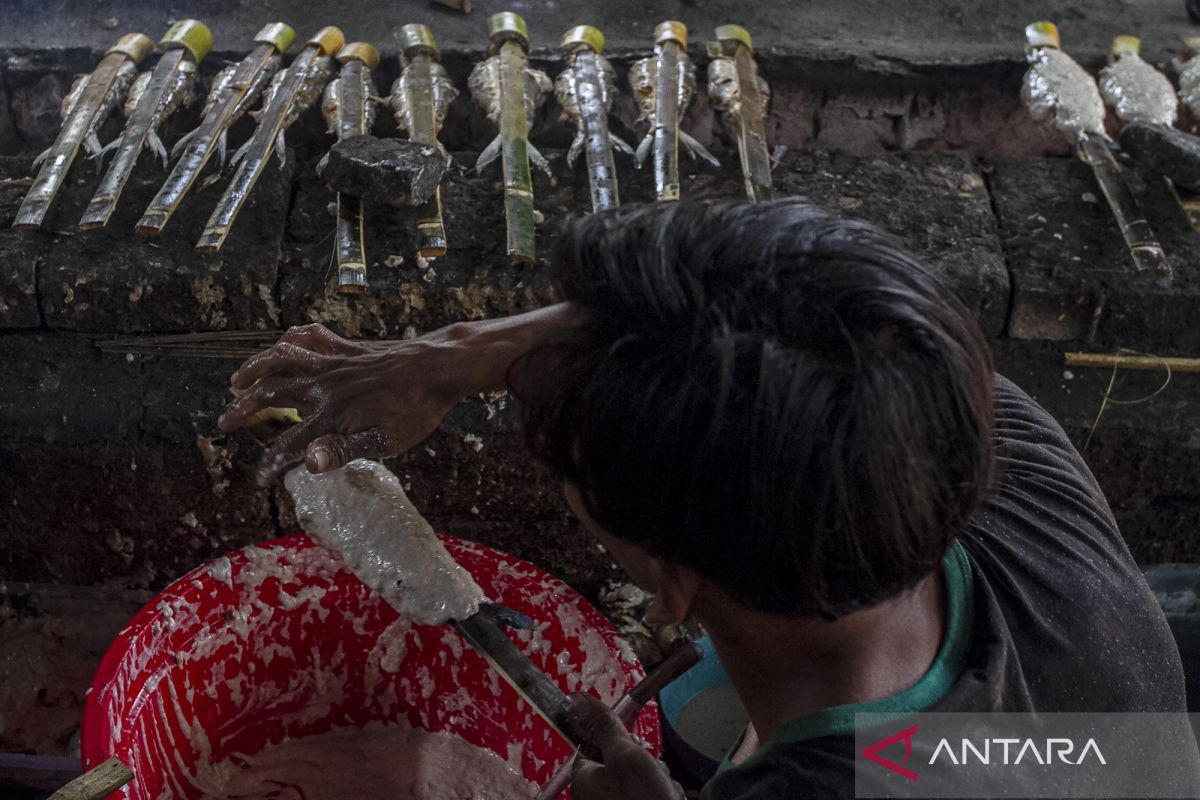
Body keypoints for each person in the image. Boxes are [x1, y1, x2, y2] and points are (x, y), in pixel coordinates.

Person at [219, 199, 1192, 799]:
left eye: (575, 488)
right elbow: (773, 304)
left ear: (671, 583)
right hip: (1096, 745)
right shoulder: (959, 425)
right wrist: (446, 357)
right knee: (694, 711)